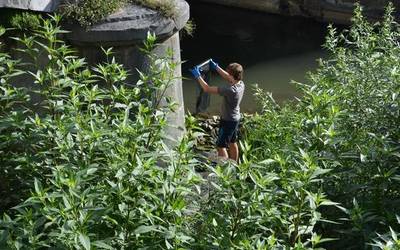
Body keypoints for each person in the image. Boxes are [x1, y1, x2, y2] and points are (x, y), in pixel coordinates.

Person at [190, 59, 245, 162]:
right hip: (235, 119)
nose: (226, 74)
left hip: (227, 121)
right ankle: (234, 164)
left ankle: (224, 170)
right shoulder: (240, 84)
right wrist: (216, 67)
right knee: (233, 142)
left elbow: (207, 88)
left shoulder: (230, 90)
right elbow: (227, 76)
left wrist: (198, 76)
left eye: (228, 72)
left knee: (221, 146)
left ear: (232, 75)